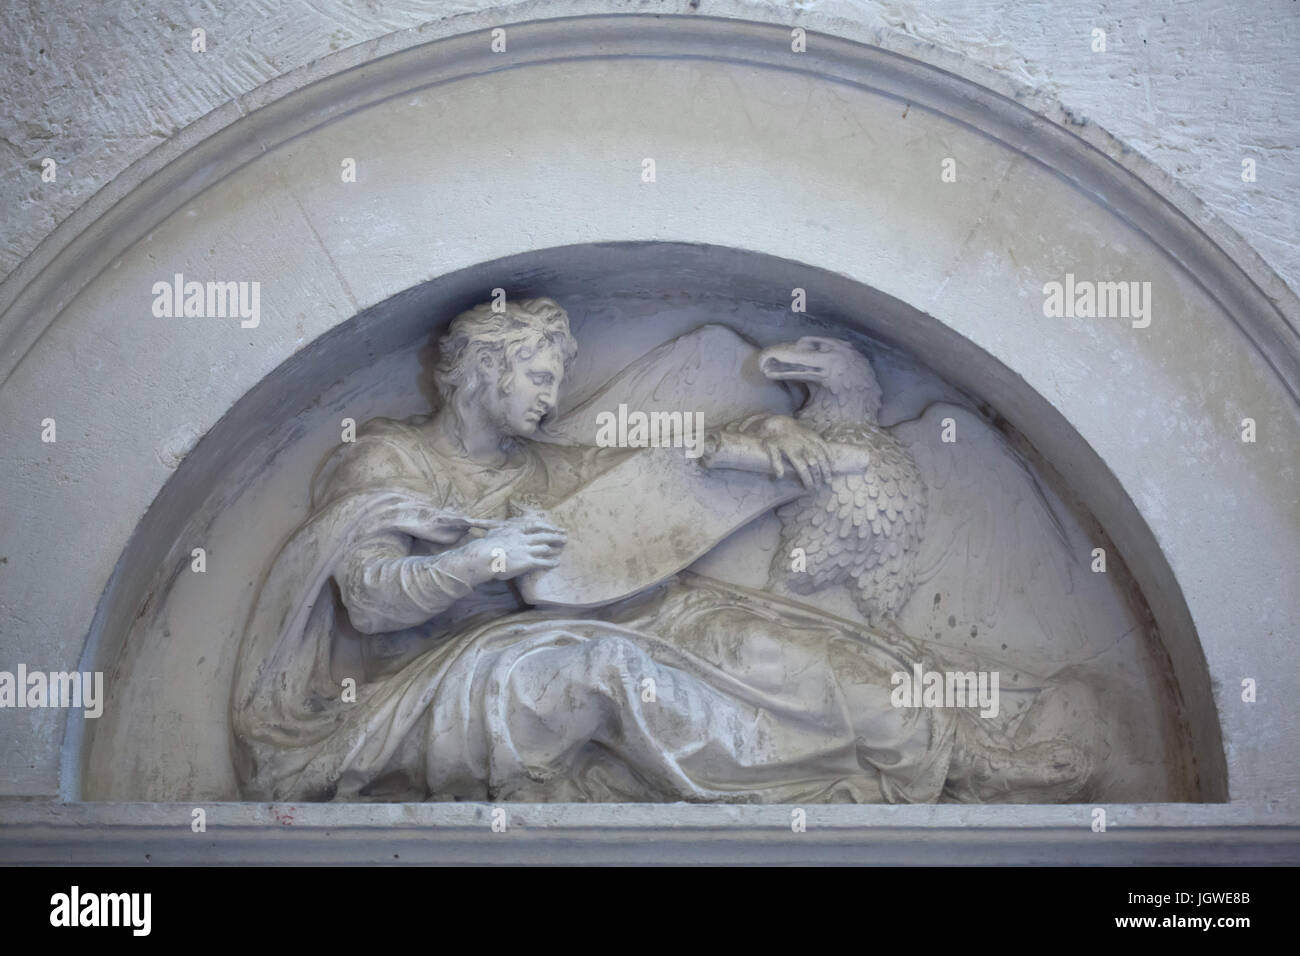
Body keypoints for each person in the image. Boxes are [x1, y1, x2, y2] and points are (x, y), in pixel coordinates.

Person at [231, 296, 1097, 804]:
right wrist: (483, 559)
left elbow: (663, 475)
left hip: (640, 615)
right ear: (487, 372)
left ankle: (971, 765)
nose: (550, 395)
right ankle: (779, 787)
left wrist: (761, 434)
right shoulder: (390, 460)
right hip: (474, 664)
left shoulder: (550, 464)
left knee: (776, 643)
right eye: (538, 378)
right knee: (606, 669)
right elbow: (373, 598)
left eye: (557, 380)